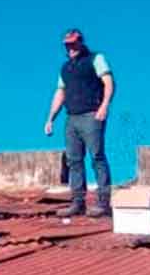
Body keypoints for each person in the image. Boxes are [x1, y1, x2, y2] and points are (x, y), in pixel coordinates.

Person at [44, 29, 114, 217]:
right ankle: (77, 202)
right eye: (67, 45)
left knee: (97, 157)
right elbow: (60, 93)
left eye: (74, 44)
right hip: (72, 117)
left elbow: (108, 82)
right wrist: (50, 118)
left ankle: (104, 202)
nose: (70, 48)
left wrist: (104, 106)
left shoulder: (95, 59)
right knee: (73, 160)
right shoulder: (65, 68)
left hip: (92, 114)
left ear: (81, 43)